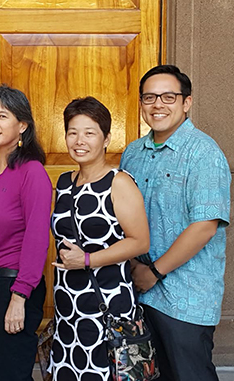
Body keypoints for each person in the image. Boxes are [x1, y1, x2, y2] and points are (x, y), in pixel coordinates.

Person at [120, 65, 231, 380]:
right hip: (139, 293)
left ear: (186, 102)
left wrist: (154, 271)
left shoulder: (204, 154)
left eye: (169, 97)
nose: (158, 105)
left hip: (186, 297)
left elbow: (205, 226)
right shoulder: (133, 154)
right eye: (150, 97)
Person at [50, 97, 150, 380]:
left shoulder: (118, 182)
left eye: (89, 132)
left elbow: (140, 241)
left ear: (106, 138)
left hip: (107, 307)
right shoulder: (65, 183)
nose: (79, 140)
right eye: (72, 132)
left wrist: (87, 259)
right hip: (68, 306)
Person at [0, 85, 51, 381]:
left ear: (23, 125)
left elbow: (36, 238)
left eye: (2, 116)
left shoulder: (32, 173)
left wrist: (19, 296)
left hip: (17, 286)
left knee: (13, 375)